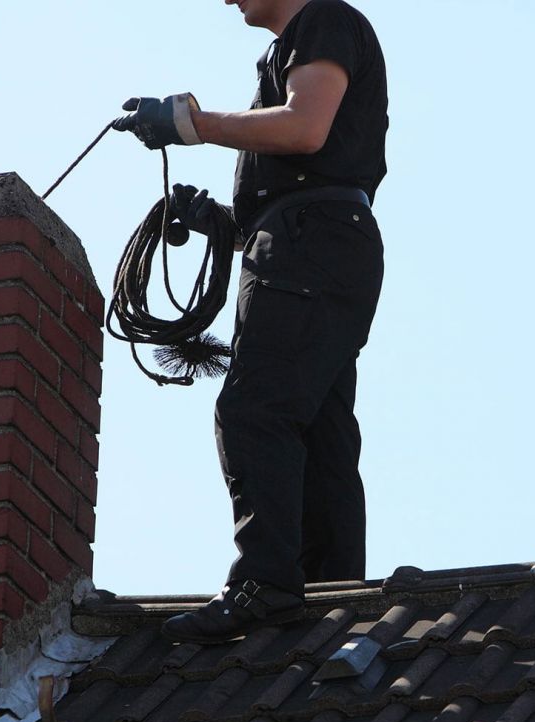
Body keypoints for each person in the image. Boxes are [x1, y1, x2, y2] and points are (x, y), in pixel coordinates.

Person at [112, 0, 387, 643]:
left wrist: (191, 123)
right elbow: (308, 161)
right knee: (317, 425)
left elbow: (305, 128)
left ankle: (266, 583)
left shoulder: (321, 20)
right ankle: (328, 593)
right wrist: (225, 224)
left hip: (310, 242)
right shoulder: (302, 40)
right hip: (318, 241)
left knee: (254, 408)